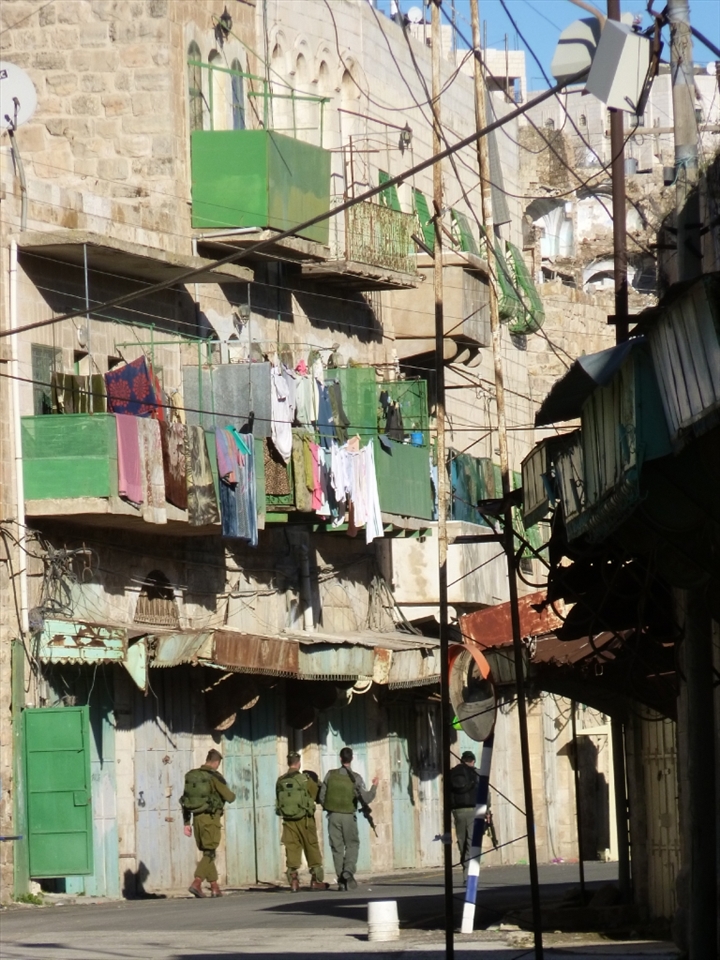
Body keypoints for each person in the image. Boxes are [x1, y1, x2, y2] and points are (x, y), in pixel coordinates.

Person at [318, 746, 378, 891]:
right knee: (352, 845)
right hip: (348, 817)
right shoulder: (356, 778)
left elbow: (321, 797)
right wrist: (374, 786)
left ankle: (341, 881)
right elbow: (367, 798)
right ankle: (348, 871)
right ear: (351, 759)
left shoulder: (330, 775)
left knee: (336, 848)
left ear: (340, 758)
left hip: (332, 816)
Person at [181, 748, 236, 898]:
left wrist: (186, 822)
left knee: (207, 852)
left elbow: (184, 800)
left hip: (196, 819)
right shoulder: (214, 777)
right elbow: (230, 797)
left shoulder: (193, 776)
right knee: (210, 851)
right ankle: (197, 882)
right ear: (216, 762)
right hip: (211, 819)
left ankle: (214, 886)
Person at [276, 752, 329, 892]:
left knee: (292, 848)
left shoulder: (280, 780)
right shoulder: (305, 780)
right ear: (298, 763)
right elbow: (317, 796)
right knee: (311, 846)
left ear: (288, 763)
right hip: (305, 820)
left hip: (288, 820)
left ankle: (293, 881)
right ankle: (316, 880)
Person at [450, 750, 479, 884]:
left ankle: (465, 869)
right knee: (471, 841)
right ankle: (469, 874)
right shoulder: (475, 773)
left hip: (458, 812)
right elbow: (484, 793)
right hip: (473, 810)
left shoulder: (453, 772)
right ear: (472, 761)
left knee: (462, 841)